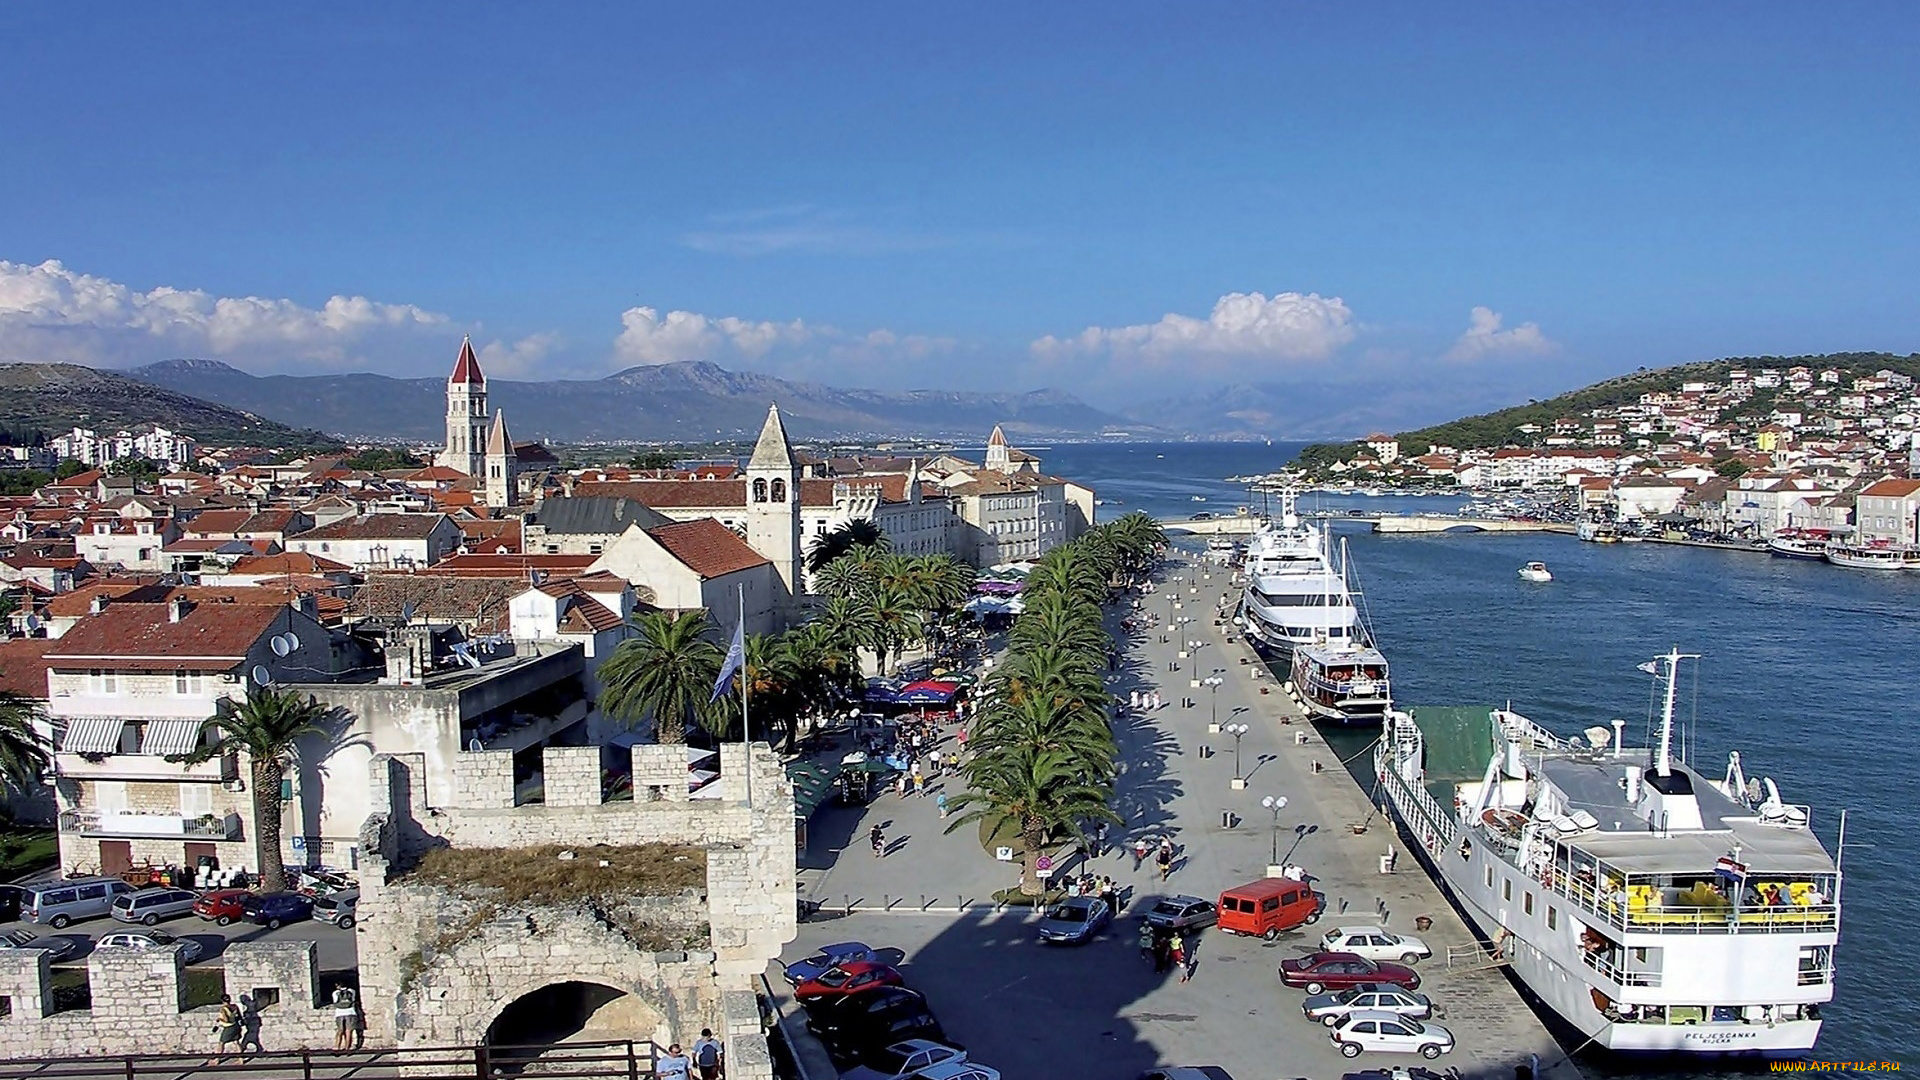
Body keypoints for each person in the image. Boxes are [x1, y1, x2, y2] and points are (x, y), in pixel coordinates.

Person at [214, 994, 244, 1058]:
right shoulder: (235, 1006)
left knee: (221, 1043)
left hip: (228, 1027)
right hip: (236, 1026)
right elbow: (239, 1016)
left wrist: (219, 1019)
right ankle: (240, 1059)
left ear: (222, 1000)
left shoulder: (223, 1009)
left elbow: (226, 1020)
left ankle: (216, 1059)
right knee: (236, 1042)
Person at [331, 985, 359, 1052]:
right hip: (351, 1012)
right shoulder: (352, 991)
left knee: (340, 1030)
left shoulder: (335, 993)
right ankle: (347, 1048)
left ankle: (337, 1047)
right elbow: (353, 1000)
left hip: (339, 1013)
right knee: (349, 1031)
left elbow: (335, 1002)